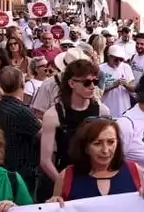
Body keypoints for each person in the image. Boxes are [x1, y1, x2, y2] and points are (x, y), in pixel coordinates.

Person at [39, 58, 109, 200]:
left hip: (94, 180)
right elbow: (45, 161)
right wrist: (65, 184)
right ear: (71, 83)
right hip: (63, 178)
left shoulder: (102, 111)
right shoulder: (53, 115)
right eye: (86, 82)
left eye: (94, 82)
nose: (92, 86)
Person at [0, 66, 41, 195]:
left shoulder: (2, 105)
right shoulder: (21, 111)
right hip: (24, 169)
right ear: (22, 83)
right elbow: (42, 133)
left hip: (9, 165)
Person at [98, 44, 135, 118]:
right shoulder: (101, 69)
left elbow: (133, 89)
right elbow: (98, 92)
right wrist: (113, 85)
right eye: (116, 59)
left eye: (121, 59)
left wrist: (126, 85)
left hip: (123, 109)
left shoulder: (126, 67)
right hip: (107, 109)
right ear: (109, 56)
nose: (118, 62)